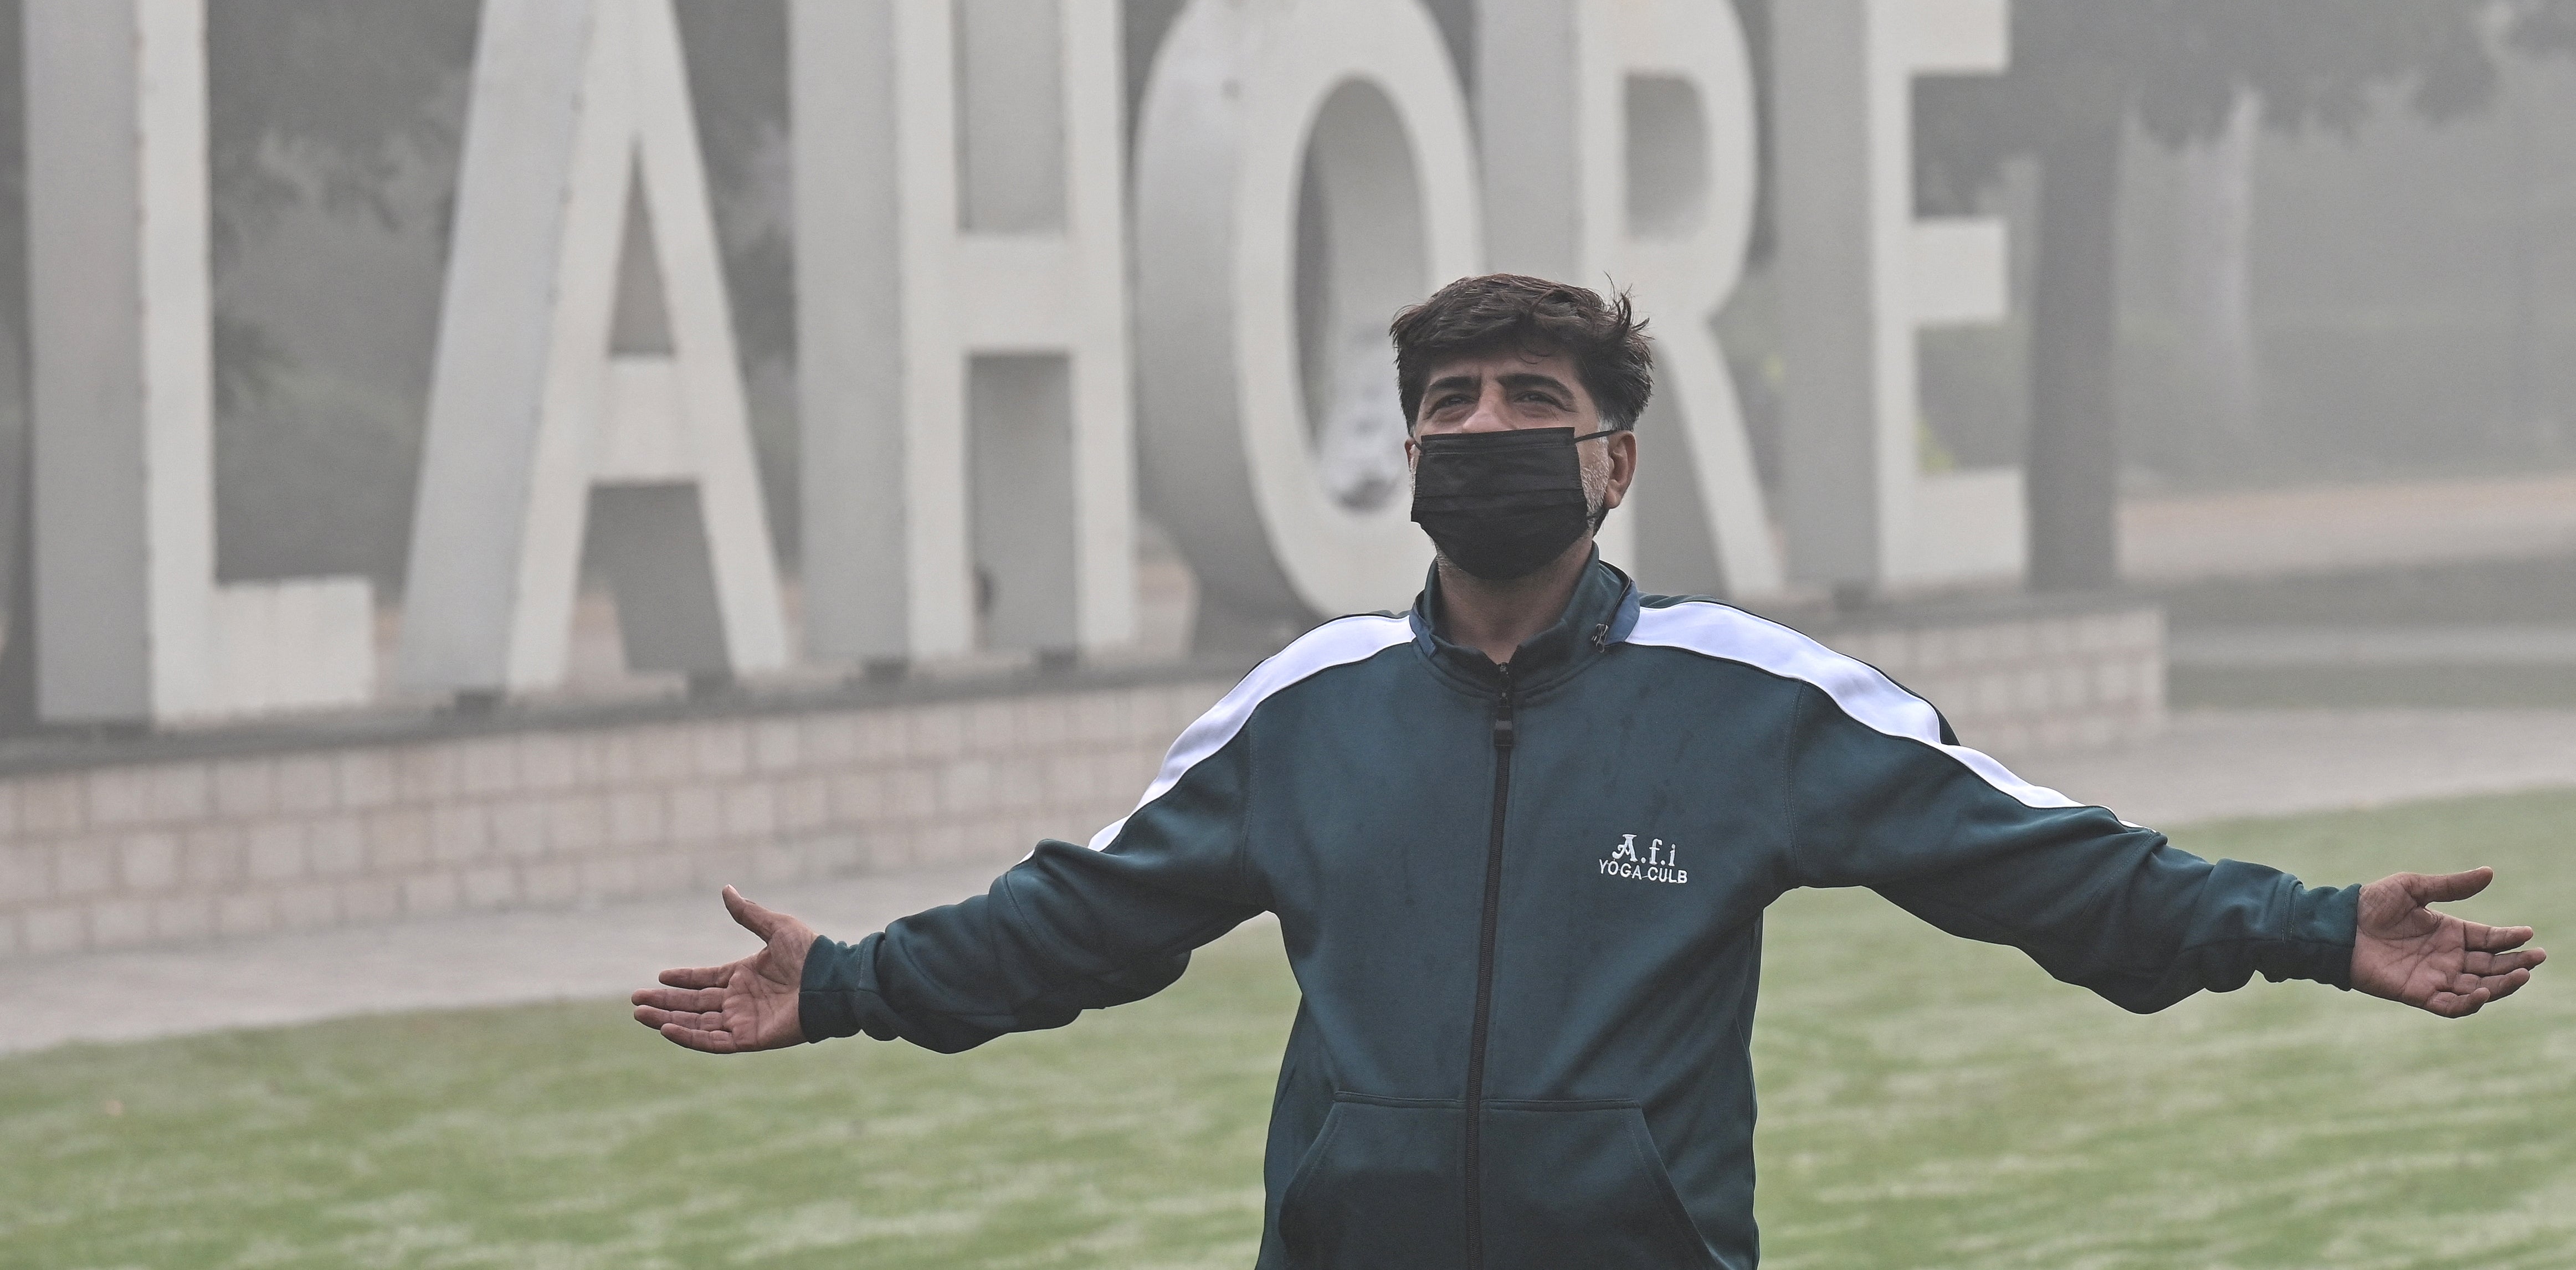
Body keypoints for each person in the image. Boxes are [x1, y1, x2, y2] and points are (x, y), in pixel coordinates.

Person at [633, 273, 2544, 1269]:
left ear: (1612, 461)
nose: (1482, 431)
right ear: (1405, 452)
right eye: (1449, 406)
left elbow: (2047, 866)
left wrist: (2306, 928)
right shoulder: (1305, 703)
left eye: (1530, 405)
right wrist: (852, 986)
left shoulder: (1754, 700)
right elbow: (1086, 917)